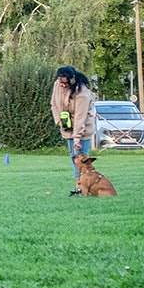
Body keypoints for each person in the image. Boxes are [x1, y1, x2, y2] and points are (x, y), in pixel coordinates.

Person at [50, 65, 97, 196]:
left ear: (72, 79)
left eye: (65, 83)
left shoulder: (82, 93)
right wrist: (59, 121)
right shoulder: (57, 85)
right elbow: (54, 104)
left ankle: (83, 187)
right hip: (67, 128)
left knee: (82, 158)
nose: (62, 85)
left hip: (83, 129)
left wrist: (77, 139)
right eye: (60, 81)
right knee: (74, 157)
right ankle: (80, 186)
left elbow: (80, 118)